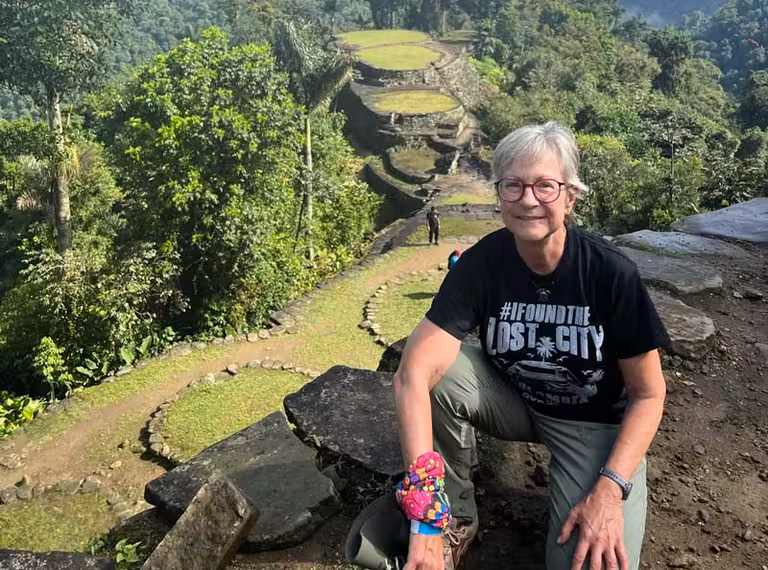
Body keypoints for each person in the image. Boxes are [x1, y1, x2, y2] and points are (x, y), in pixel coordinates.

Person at [392, 122, 669, 570]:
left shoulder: (611, 274)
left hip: (596, 428)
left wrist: (609, 490)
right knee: (436, 375)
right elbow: (412, 375)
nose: (528, 200)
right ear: (498, 193)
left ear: (570, 195)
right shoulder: (483, 263)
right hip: (517, 401)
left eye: (545, 186)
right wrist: (424, 515)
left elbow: (650, 394)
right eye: (513, 186)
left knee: (589, 560)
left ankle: (601, 485)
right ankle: (454, 519)